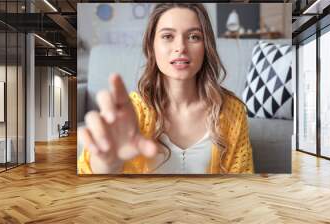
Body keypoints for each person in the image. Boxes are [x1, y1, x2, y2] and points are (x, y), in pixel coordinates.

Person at [78, 3, 254, 174]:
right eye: (168, 36)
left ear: (206, 47)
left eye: (193, 36)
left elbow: (242, 185)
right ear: (151, 46)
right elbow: (88, 174)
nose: (181, 48)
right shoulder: (131, 110)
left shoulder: (233, 110)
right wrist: (107, 163)